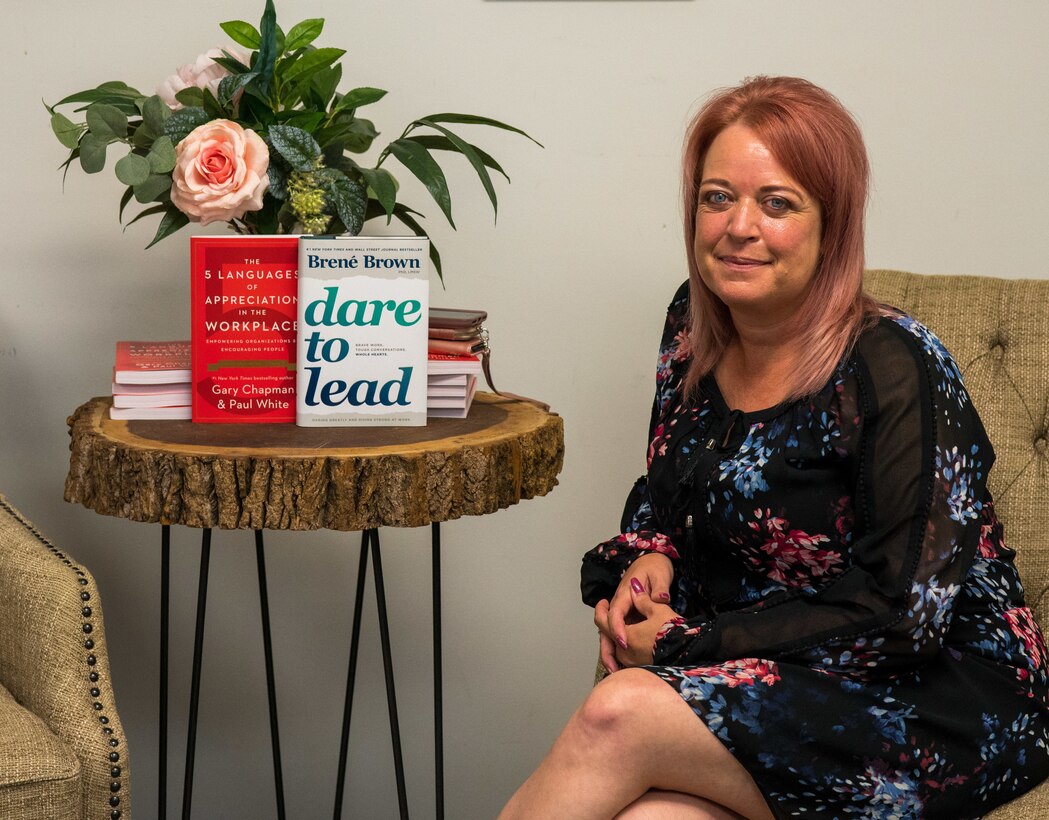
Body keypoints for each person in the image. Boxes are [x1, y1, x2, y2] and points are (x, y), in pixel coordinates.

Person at [499, 76, 1049, 819]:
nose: (738, 226)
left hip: (936, 696)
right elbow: (671, 494)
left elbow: (901, 614)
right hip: (770, 680)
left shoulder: (893, 365)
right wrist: (652, 555)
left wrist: (682, 647)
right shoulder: (691, 328)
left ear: (832, 225)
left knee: (617, 713)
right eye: (717, 197)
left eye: (777, 203)